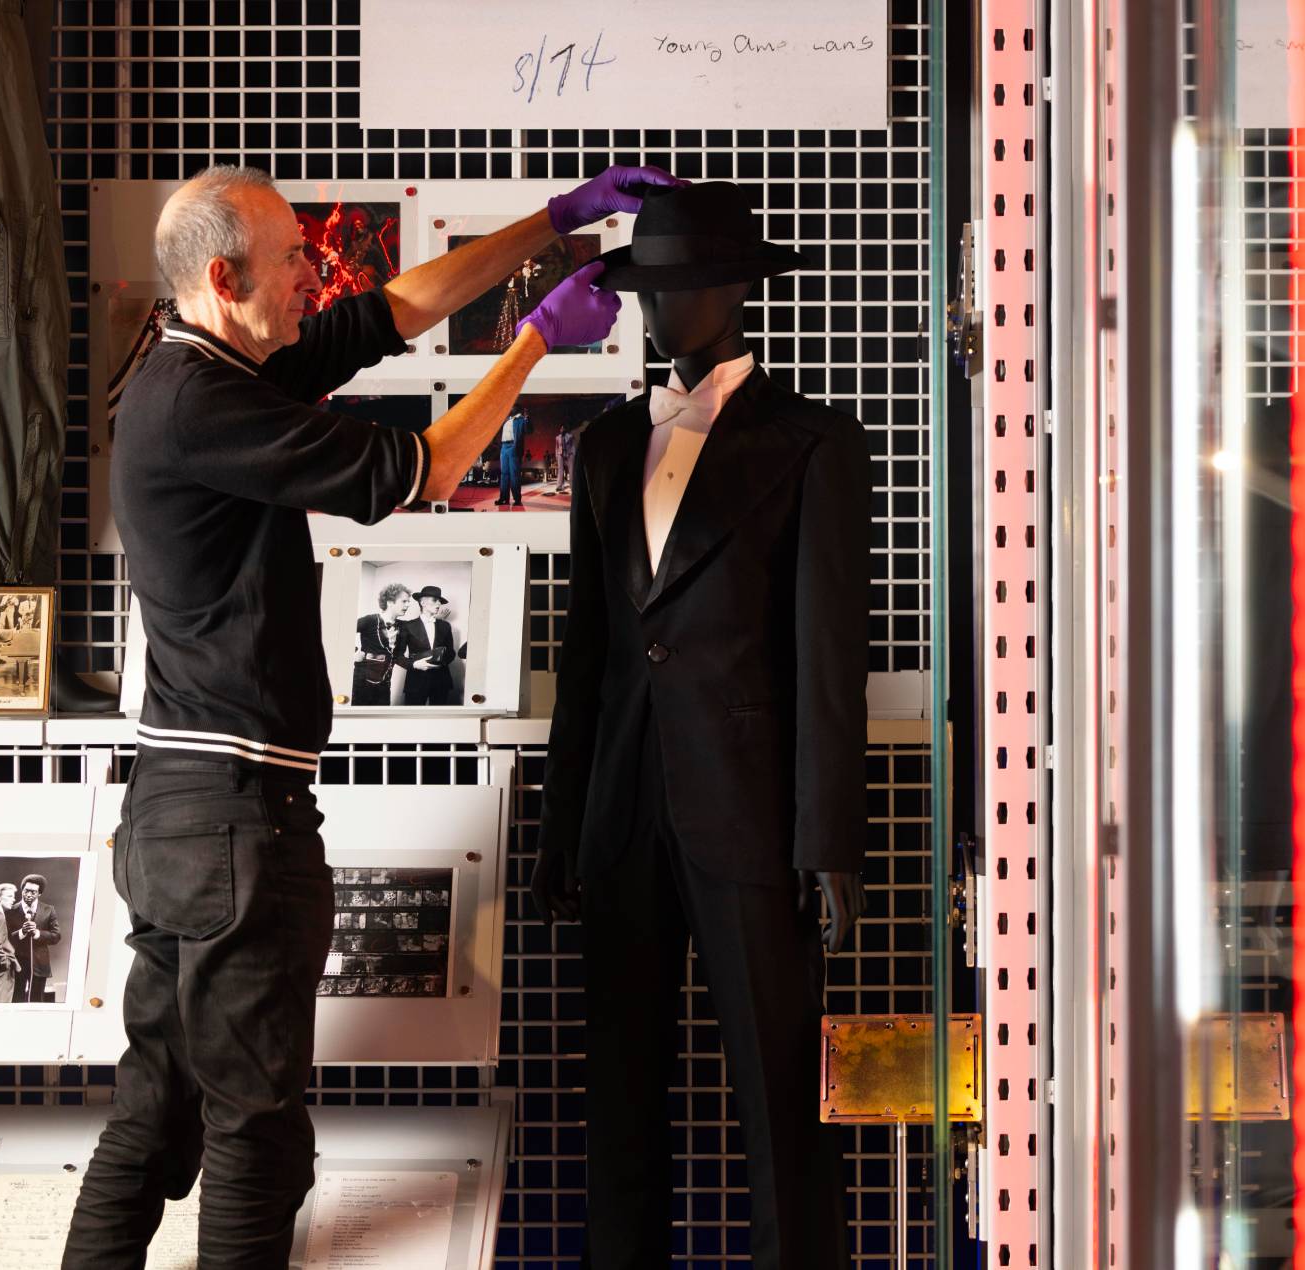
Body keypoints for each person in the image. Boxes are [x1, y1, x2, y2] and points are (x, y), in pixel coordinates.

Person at [65, 159, 677, 1268]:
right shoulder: (203, 401)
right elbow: (429, 468)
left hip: (181, 812)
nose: (316, 272)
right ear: (222, 274)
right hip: (232, 817)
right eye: (294, 257)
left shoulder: (206, 366)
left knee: (155, 1120)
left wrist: (551, 219)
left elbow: (393, 311)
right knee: (254, 1134)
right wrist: (537, 341)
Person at [532, 181, 865, 1270]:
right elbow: (587, 652)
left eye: (670, 292)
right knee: (619, 1103)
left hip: (752, 814)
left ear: (726, 294)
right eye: (642, 292)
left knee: (779, 1099)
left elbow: (827, 665)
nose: (651, 313)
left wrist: (826, 841)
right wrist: (560, 824)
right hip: (622, 813)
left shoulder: (813, 444)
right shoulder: (606, 446)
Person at [396, 585, 456, 706]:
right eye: (435, 600)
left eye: (440, 601)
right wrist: (414, 664)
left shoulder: (445, 626)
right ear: (422, 602)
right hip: (416, 681)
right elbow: (397, 655)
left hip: (441, 681)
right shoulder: (408, 626)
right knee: (412, 719)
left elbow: (451, 652)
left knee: (439, 719)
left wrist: (440, 662)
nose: (438, 604)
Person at [9, 872, 61, 1003]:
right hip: (17, 964)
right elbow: (4, 938)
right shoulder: (10, 910)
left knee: (36, 1001)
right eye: (26, 891)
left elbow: (56, 936)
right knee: (16, 1000)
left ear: (39, 894)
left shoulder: (49, 910)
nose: (28, 894)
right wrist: (21, 932)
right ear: (22, 890)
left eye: (33, 892)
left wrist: (38, 933)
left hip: (39, 964)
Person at [352, 583, 407, 706]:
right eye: (404, 601)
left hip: (385, 684)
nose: (408, 605)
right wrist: (355, 652)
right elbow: (340, 632)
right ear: (390, 602)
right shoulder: (370, 620)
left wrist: (437, 621)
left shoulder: (403, 626)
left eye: (408, 602)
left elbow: (398, 656)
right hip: (362, 682)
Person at [496, 406, 529, 507]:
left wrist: (527, 418)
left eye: (513, 407)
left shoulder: (521, 419)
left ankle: (517, 499)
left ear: (517, 409)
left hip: (513, 446)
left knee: (514, 474)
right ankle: (504, 498)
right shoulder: (508, 419)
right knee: (504, 474)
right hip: (504, 447)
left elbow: (529, 430)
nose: (510, 408)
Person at [553, 420, 576, 494]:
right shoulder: (557, 438)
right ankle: (559, 486)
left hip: (569, 454)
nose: (562, 430)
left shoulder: (570, 436)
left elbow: (573, 446)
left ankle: (573, 486)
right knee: (560, 470)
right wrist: (557, 455)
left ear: (565, 429)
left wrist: (573, 454)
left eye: (563, 428)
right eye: (561, 428)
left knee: (571, 471)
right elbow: (556, 448)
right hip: (561, 454)